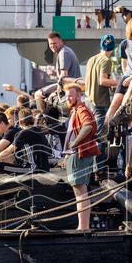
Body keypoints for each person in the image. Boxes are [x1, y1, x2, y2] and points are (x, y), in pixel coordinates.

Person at [62, 83, 100, 230]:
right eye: (67, 95)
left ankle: (83, 226)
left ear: (79, 95)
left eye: (71, 95)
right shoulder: (76, 110)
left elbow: (89, 125)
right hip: (75, 154)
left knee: (80, 191)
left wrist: (75, 143)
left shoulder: (82, 109)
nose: (68, 98)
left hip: (80, 153)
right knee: (80, 190)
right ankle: (82, 225)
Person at [85, 34, 119, 132]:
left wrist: (111, 84)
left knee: (90, 134)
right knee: (101, 136)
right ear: (113, 47)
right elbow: (102, 81)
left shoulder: (91, 59)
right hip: (100, 104)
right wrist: (120, 82)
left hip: (89, 101)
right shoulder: (106, 61)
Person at [35, 32, 81, 103]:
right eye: (50, 44)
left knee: (38, 94)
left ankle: (43, 114)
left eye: (55, 43)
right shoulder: (65, 50)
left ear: (61, 42)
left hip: (70, 86)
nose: (52, 45)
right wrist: (55, 73)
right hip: (71, 84)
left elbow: (64, 77)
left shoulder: (63, 53)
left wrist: (57, 92)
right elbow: (68, 73)